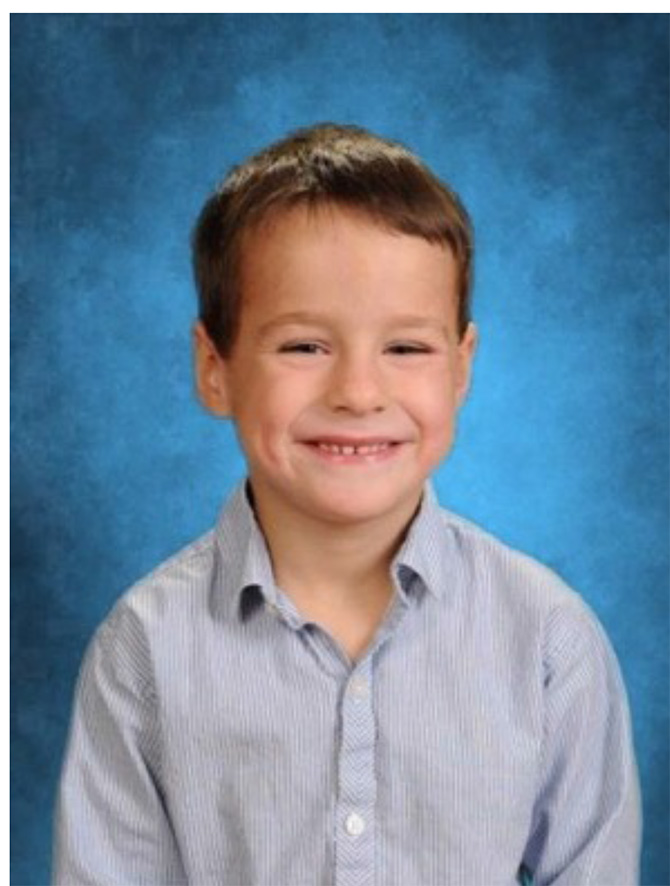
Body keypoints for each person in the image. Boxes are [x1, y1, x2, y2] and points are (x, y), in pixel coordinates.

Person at [53, 123, 641, 886]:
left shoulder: (549, 640)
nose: (359, 394)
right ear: (214, 368)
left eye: (406, 348)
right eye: (304, 346)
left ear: (461, 368)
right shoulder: (144, 647)